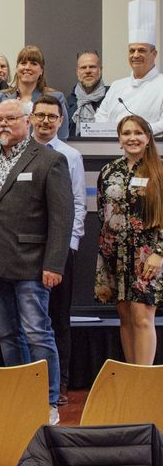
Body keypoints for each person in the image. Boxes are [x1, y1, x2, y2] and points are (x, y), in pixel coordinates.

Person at [0, 98, 73, 425]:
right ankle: (20, 395)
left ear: (28, 121)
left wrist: (54, 264)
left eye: (11, 118)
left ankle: (48, 402)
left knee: (38, 333)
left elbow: (62, 218)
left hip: (32, 264)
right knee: (7, 335)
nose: (4, 125)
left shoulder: (50, 160)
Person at [31, 95, 85, 406]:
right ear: (32, 118)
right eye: (41, 115)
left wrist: (69, 246)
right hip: (28, 249)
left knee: (58, 319)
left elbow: (78, 204)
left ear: (61, 121)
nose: (46, 121)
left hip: (61, 251)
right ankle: (33, 381)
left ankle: (60, 382)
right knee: (31, 318)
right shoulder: (21, 152)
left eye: (52, 116)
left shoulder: (71, 156)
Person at [95, 114, 163, 366]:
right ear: (119, 139)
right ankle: (131, 376)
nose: (132, 138)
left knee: (142, 317)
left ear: (148, 138)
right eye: (126, 133)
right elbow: (102, 210)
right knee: (125, 317)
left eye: (137, 133)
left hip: (148, 255)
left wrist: (159, 253)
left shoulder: (159, 170)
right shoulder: (109, 170)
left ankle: (143, 382)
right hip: (115, 254)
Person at [95, 0, 163, 133]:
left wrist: (133, 133)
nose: (135, 55)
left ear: (154, 54)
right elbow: (100, 117)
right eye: (132, 50)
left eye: (142, 50)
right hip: (110, 148)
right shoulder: (117, 86)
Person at [0, 46, 70, 140]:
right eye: (23, 63)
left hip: (44, 153)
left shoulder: (56, 98)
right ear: (17, 68)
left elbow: (62, 137)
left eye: (33, 64)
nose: (27, 67)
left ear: (41, 70)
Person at [66, 51, 107, 136]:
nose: (87, 71)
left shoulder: (111, 98)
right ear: (77, 72)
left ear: (100, 70)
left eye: (92, 67)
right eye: (83, 67)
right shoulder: (67, 103)